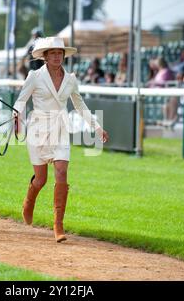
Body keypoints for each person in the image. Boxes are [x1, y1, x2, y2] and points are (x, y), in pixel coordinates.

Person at [12, 37, 109, 243]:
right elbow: (20, 101)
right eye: (53, 53)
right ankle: (29, 201)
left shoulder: (71, 79)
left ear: (64, 56)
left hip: (61, 128)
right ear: (45, 56)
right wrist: (16, 119)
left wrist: (97, 127)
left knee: (62, 171)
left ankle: (58, 225)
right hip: (38, 129)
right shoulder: (35, 76)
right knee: (41, 179)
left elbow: (80, 105)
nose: (57, 56)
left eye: (60, 53)